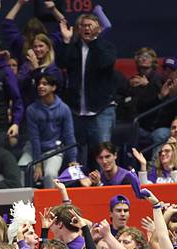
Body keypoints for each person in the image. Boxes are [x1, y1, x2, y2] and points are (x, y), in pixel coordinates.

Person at [56, 13, 117, 169]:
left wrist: (94, 42)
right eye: (83, 25)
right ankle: (78, 186)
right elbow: (62, 62)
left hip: (101, 110)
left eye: (90, 25)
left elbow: (104, 63)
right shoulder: (74, 47)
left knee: (103, 152)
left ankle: (103, 186)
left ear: (98, 28)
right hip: (76, 111)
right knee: (74, 153)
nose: (86, 28)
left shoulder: (106, 46)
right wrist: (67, 40)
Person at [24, 74, 77, 188]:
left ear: (53, 87)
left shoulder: (64, 109)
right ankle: (24, 204)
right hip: (33, 148)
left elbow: (69, 135)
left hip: (54, 150)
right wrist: (38, 163)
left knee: (50, 174)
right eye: (39, 84)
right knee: (23, 169)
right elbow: (35, 138)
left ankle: (51, 204)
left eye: (45, 84)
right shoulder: (32, 110)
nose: (40, 86)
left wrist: (73, 159)